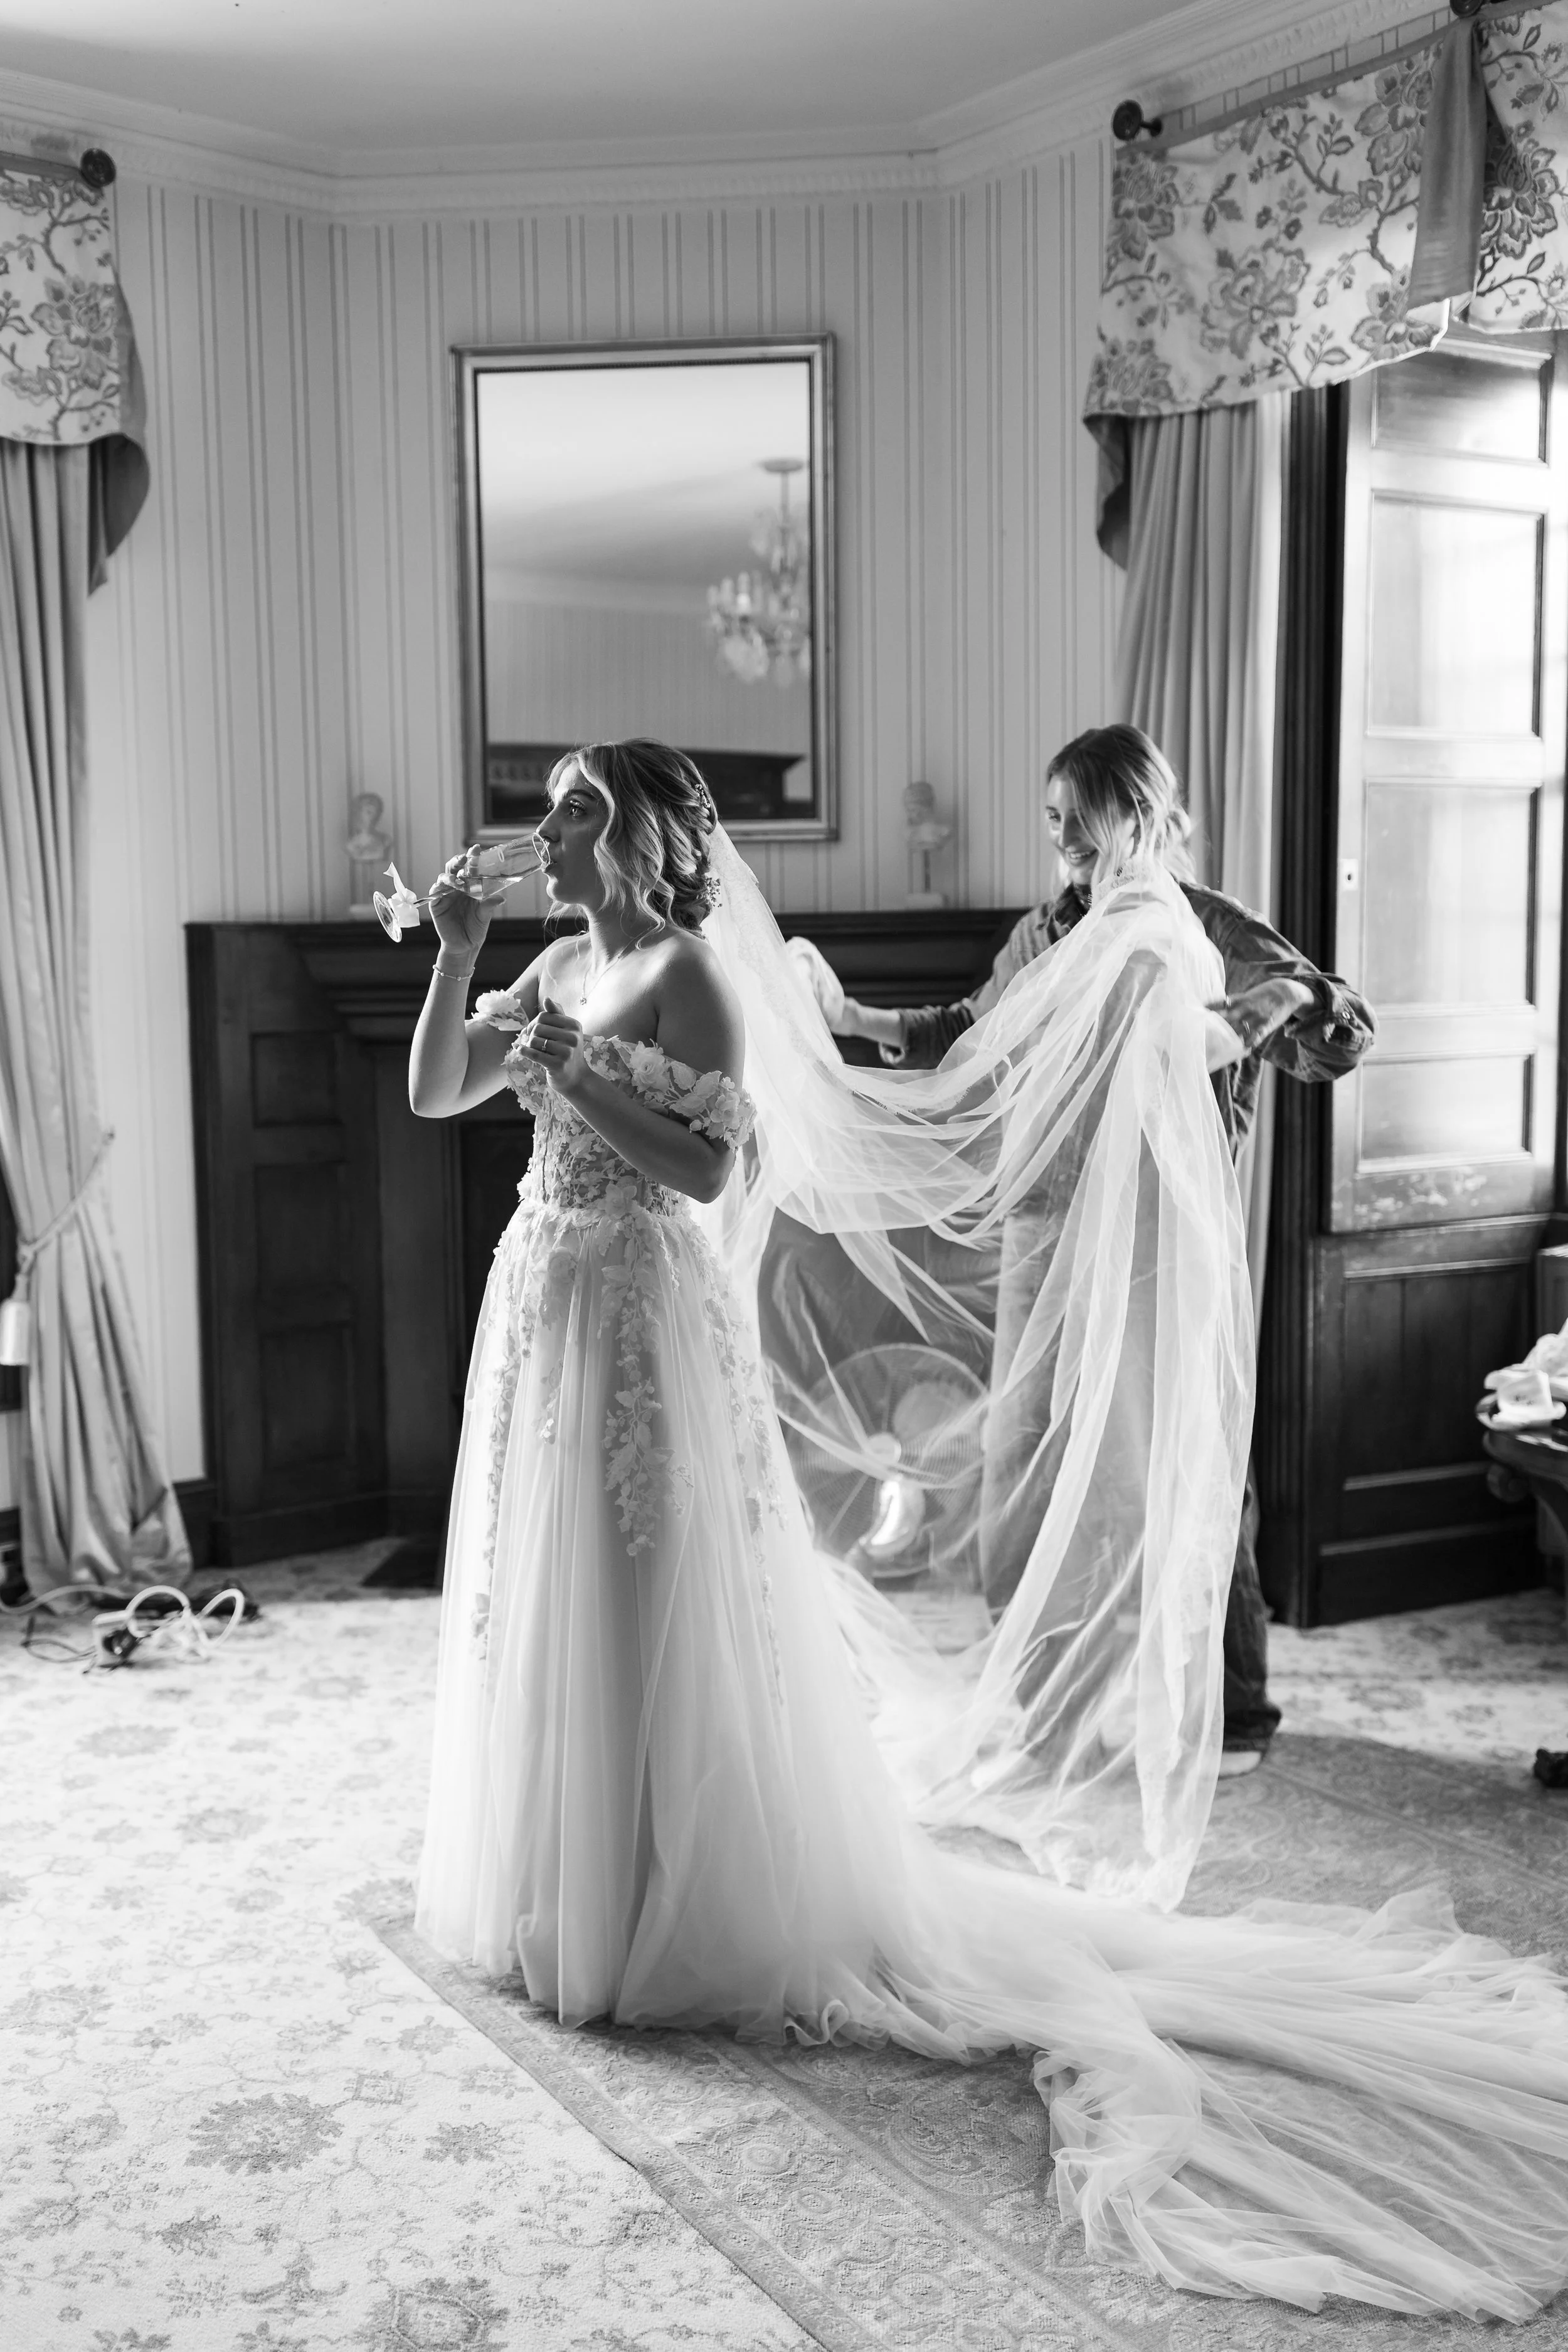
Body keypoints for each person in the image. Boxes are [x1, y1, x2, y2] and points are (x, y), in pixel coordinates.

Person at [411, 738, 1568, 2319]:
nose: (538, 829)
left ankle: (674, 1890)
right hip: (542, 1302)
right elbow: (432, 1090)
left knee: (653, 1585)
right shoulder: (548, 955)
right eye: (544, 807)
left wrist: (572, 1072)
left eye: (567, 808)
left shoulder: (690, 973)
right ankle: (568, 1880)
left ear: (634, 833)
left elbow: (705, 1165)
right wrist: (469, 965)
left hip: (644, 1309)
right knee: (542, 1595)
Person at [829, 726, 1374, 1771]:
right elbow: (969, 1029)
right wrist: (855, 1016)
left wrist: (1270, 1004)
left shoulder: (1200, 923)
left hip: (1162, 1231)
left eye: (1080, 812)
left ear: (1139, 812)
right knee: (1022, 1455)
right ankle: (1042, 1692)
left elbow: (1342, 1027)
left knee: (1182, 1460)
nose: (1063, 835)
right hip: (1048, 1227)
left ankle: (1234, 1705)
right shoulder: (1042, 934)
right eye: (1052, 818)